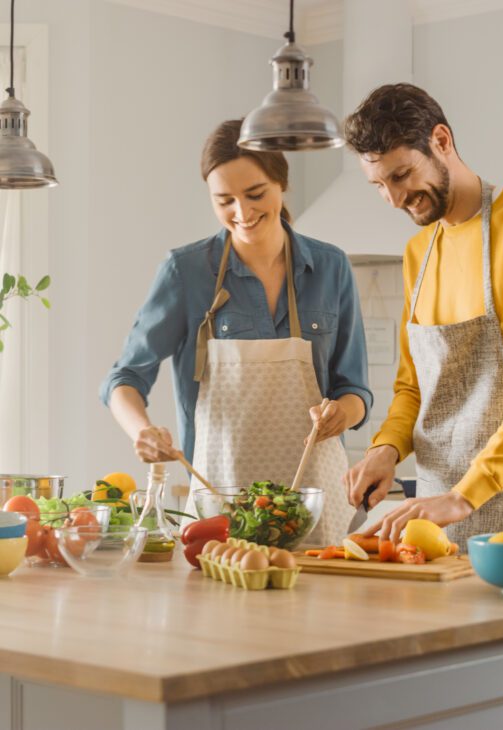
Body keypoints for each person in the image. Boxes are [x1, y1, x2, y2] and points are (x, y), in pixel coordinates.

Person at [100, 119, 372, 544]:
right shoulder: (186, 273)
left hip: (318, 504)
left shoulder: (331, 267)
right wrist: (143, 432)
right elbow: (124, 378)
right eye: (224, 200)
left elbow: (353, 388)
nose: (242, 213)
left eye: (255, 194)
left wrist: (343, 413)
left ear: (281, 183)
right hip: (217, 503)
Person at [342, 83, 503, 549]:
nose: (393, 199)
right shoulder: (420, 252)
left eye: (401, 175)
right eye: (379, 185)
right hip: (434, 514)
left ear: (441, 141)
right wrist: (385, 449)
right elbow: (414, 386)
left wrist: (465, 496)